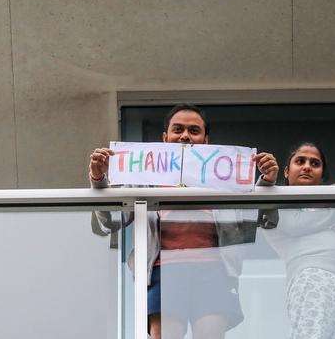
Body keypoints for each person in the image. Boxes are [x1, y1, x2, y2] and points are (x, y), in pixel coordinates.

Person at [89, 103, 278, 339]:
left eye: (194, 130)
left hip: (213, 270)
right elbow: (109, 222)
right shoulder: (145, 176)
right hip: (162, 270)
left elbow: (263, 220)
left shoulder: (223, 174)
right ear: (165, 137)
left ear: (206, 140)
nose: (185, 135)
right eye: (178, 129)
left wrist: (266, 184)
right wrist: (99, 180)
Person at [260, 142, 335, 339]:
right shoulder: (278, 201)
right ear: (286, 171)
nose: (307, 166)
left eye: (314, 163)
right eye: (300, 161)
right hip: (314, 278)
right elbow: (295, 225)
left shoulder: (333, 207)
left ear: (322, 175)